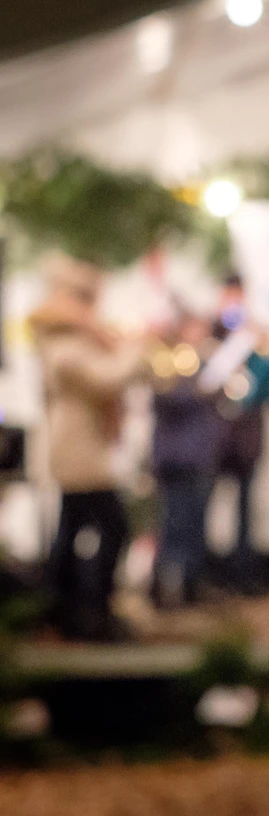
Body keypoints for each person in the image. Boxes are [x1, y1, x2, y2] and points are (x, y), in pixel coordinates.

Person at [29, 257, 147, 640]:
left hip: (83, 447)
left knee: (72, 528)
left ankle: (63, 608)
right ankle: (91, 608)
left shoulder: (73, 341)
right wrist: (134, 350)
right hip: (77, 451)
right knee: (113, 528)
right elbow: (104, 378)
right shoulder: (63, 347)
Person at [150, 312, 225, 609]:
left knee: (197, 526)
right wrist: (200, 385)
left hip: (201, 457)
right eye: (195, 330)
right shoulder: (168, 362)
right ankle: (163, 590)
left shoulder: (208, 365)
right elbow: (168, 400)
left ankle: (193, 587)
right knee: (173, 525)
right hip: (174, 460)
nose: (200, 338)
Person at [212, 272, 265, 595]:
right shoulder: (211, 332)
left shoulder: (254, 336)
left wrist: (254, 338)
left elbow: (267, 374)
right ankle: (210, 573)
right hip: (215, 437)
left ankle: (244, 575)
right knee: (208, 507)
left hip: (247, 437)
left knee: (247, 511)